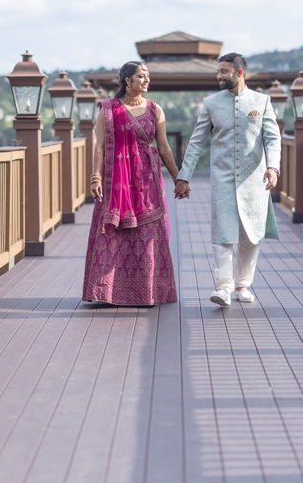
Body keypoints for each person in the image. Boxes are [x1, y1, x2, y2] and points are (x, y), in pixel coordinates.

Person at [175, 53, 281, 307]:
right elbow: (196, 141)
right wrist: (184, 176)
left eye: (224, 72)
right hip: (221, 179)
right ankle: (223, 287)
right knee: (222, 234)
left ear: (239, 73)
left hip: (254, 181)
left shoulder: (262, 101)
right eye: (218, 72)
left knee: (250, 235)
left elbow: (273, 139)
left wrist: (273, 168)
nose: (219, 76)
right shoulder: (211, 103)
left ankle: (242, 284)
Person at [82, 61, 179, 306]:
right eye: (141, 77)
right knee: (114, 234)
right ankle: (106, 292)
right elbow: (100, 147)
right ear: (127, 80)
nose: (146, 81)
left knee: (147, 235)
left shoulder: (155, 109)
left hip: (147, 181)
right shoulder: (108, 109)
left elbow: (164, 147)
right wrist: (95, 176)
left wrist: (178, 178)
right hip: (116, 183)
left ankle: (149, 291)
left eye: (148, 77)